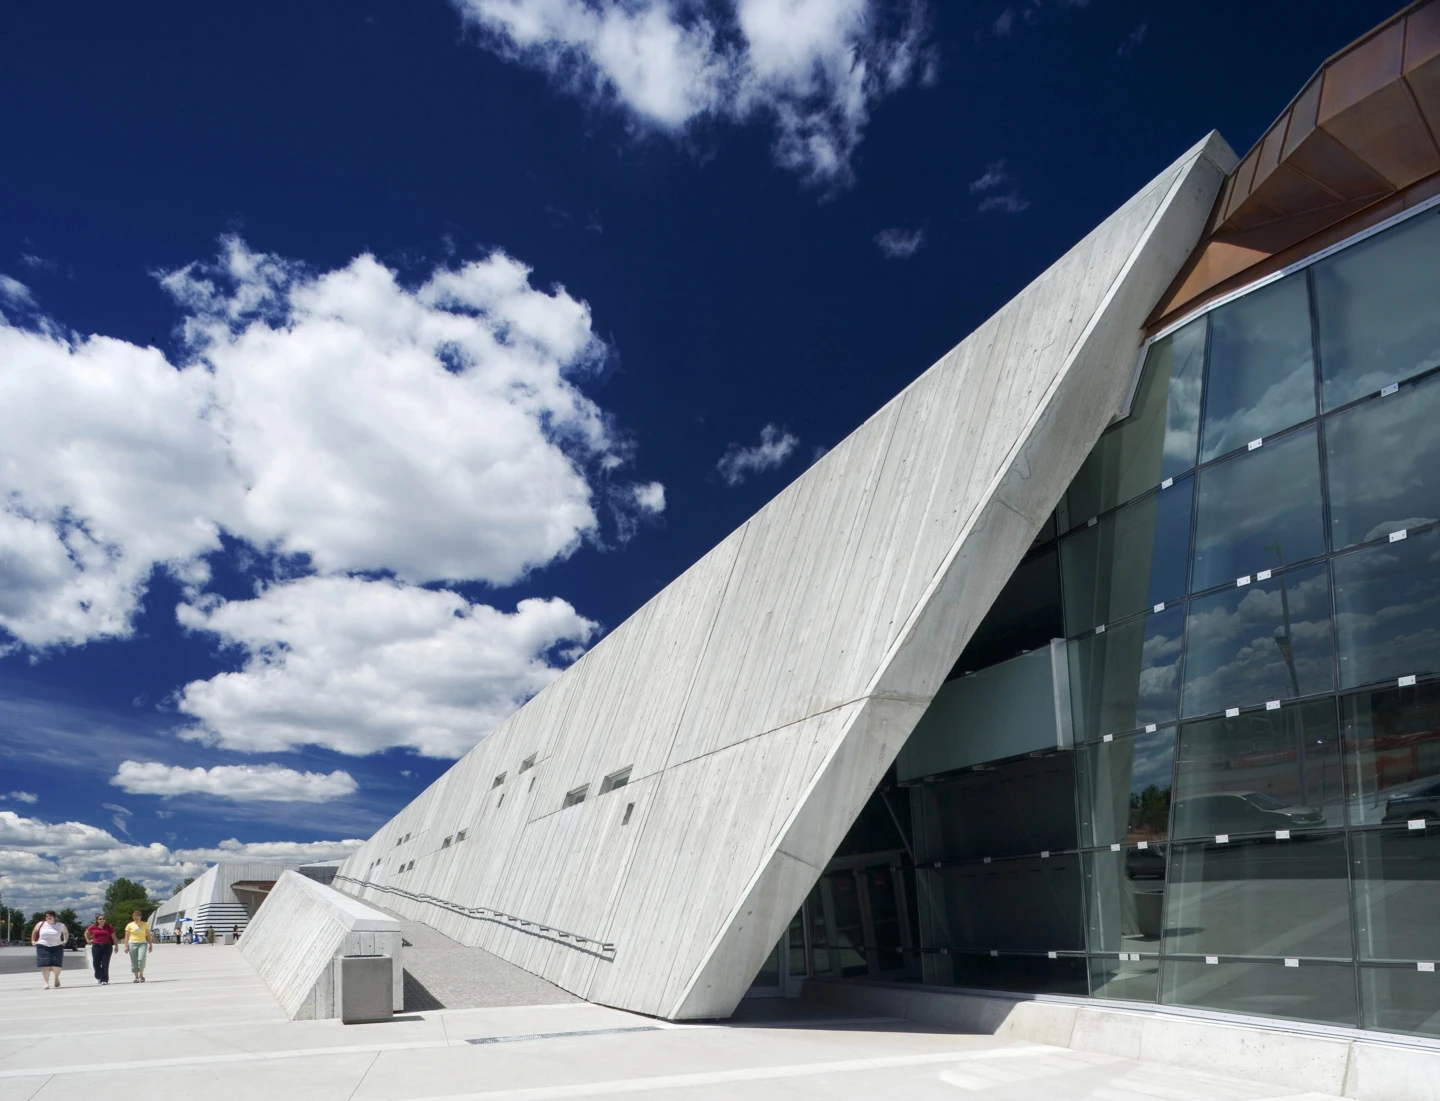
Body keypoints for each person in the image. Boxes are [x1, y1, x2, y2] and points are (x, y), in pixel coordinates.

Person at [31, 910, 67, 989]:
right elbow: (34, 932)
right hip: (42, 945)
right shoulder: (41, 924)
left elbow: (65, 933)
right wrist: (33, 940)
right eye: (47, 916)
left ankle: (56, 978)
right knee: (45, 965)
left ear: (54, 916)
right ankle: (46, 983)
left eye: (50, 916)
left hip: (57, 946)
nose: (48, 917)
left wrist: (65, 940)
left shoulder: (60, 925)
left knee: (57, 965)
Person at [123, 909, 154, 983]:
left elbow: (148, 935)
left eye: (138, 917)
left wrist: (150, 945)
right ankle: (136, 977)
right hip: (132, 943)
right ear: (133, 917)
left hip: (142, 943)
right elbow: (126, 936)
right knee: (134, 961)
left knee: (141, 958)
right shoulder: (129, 925)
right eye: (135, 917)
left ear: (140, 917)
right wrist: (126, 946)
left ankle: (141, 975)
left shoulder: (145, 924)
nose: (136, 918)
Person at [84, 913, 115, 985]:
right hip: (96, 946)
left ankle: (104, 979)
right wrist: (88, 941)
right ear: (97, 920)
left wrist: (116, 945)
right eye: (100, 919)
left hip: (107, 946)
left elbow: (113, 936)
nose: (102, 920)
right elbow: (86, 933)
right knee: (96, 963)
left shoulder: (108, 926)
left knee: (105, 963)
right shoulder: (93, 927)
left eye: (103, 919)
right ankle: (98, 976)